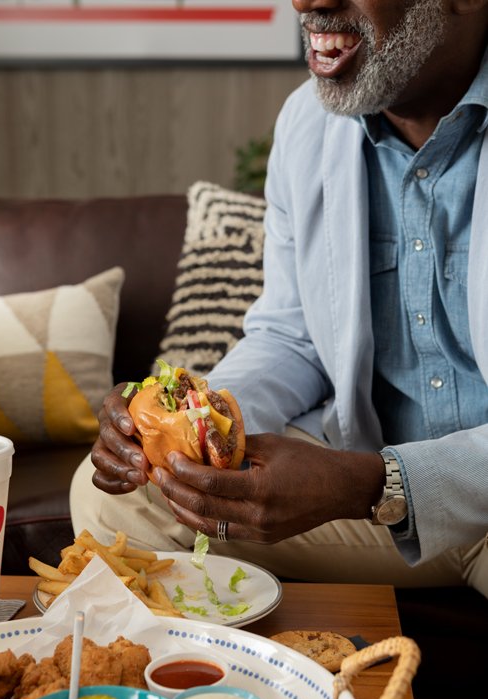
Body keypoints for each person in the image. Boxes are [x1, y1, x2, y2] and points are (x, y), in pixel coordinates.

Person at [71, 0, 488, 595]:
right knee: (114, 498)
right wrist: (191, 419)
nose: (308, 3)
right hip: (369, 502)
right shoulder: (305, 125)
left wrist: (370, 481)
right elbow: (292, 337)